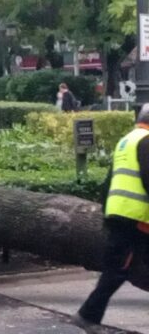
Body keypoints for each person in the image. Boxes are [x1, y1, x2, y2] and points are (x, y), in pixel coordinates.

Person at [72, 104, 149, 330]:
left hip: (122, 214)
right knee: (116, 271)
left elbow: (109, 181)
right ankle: (87, 315)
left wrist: (106, 212)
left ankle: (88, 315)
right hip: (134, 218)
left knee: (119, 268)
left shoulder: (127, 140)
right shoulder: (146, 141)